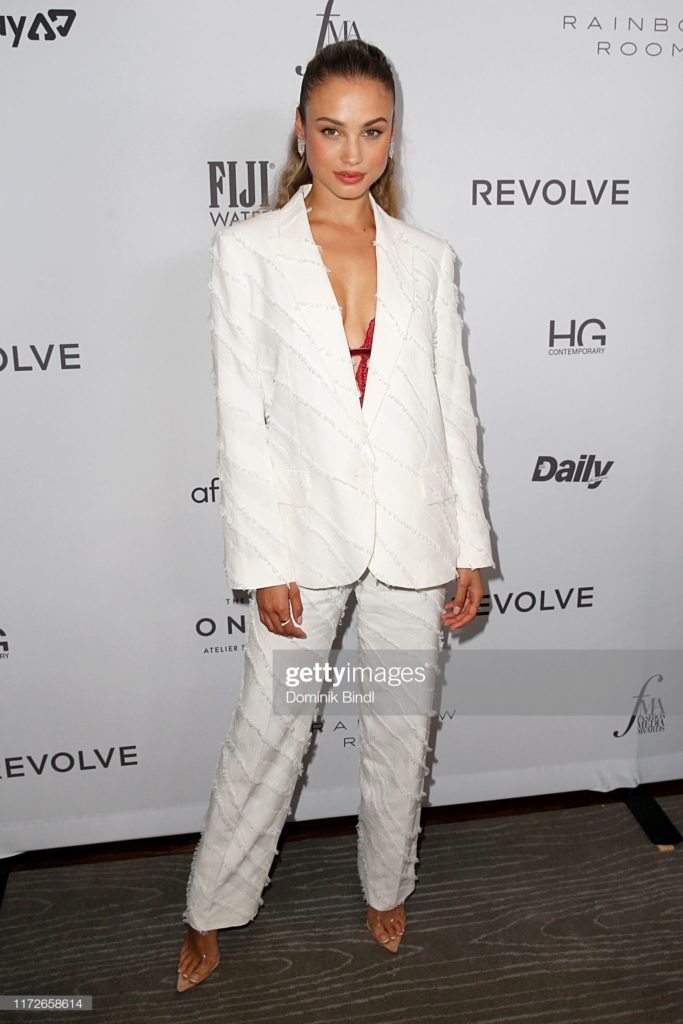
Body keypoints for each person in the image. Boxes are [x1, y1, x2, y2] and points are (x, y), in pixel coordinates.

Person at [177, 38, 494, 991]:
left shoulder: (427, 259)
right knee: (268, 728)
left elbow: (451, 405)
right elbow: (243, 416)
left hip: (414, 535)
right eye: (330, 130)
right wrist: (263, 557)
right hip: (300, 539)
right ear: (302, 134)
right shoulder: (248, 252)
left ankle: (386, 883)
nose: (350, 153)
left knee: (401, 722)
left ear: (393, 135)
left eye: (371, 130)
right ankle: (212, 904)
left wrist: (468, 541)